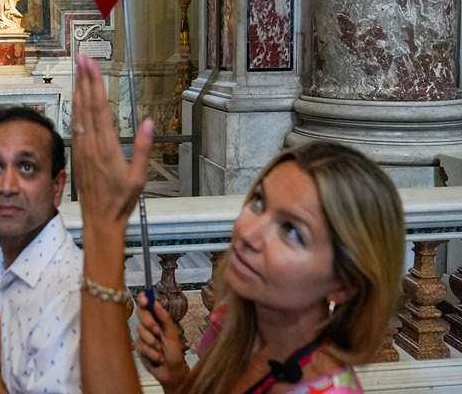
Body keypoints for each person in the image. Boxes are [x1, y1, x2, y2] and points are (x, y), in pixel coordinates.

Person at [71, 54, 405, 394]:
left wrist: (103, 233)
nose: (248, 234)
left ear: (344, 283)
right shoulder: (235, 319)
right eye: (259, 202)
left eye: (291, 232)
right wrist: (177, 380)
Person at [0, 106, 82, 393]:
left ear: (57, 186)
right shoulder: (15, 266)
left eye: (26, 167)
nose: (7, 186)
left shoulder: (67, 297)